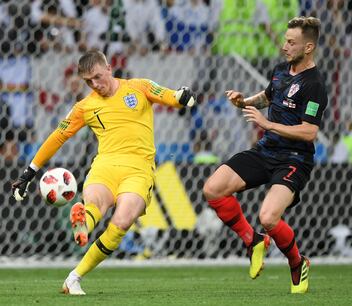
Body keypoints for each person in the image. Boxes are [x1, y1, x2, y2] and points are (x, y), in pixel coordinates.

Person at [12, 50, 196, 295]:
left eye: (98, 77)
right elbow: (58, 136)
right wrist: (29, 172)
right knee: (95, 204)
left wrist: (182, 95)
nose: (95, 85)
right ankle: (82, 227)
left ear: (109, 68)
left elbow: (170, 96)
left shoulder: (139, 87)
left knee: (121, 221)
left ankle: (74, 275)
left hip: (138, 169)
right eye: (88, 82)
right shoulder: (85, 106)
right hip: (105, 166)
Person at [203, 16, 328, 294]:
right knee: (213, 189)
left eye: (291, 42)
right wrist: (244, 101)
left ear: (308, 48)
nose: (284, 46)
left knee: (269, 218)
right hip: (266, 150)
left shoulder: (315, 84)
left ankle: (297, 263)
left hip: (294, 159)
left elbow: (309, 133)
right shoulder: (281, 70)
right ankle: (253, 241)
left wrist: (267, 123)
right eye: (285, 40)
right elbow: (269, 96)